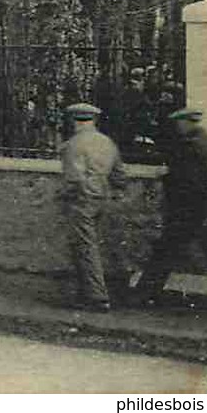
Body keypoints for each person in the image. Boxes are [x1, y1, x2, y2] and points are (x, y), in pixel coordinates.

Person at [130, 107, 207, 306]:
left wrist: (166, 178)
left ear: (186, 123)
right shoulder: (206, 142)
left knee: (166, 249)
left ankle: (145, 293)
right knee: (190, 248)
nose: (177, 128)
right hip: (200, 207)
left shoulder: (192, 145)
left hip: (190, 207)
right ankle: (146, 291)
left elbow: (189, 179)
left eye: (178, 124)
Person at [57, 101, 128, 311]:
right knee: (91, 247)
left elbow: (74, 179)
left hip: (81, 200)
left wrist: (62, 196)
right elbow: (119, 175)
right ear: (94, 120)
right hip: (102, 198)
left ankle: (96, 297)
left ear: (73, 121)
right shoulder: (107, 142)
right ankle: (87, 293)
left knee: (84, 249)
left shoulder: (74, 144)